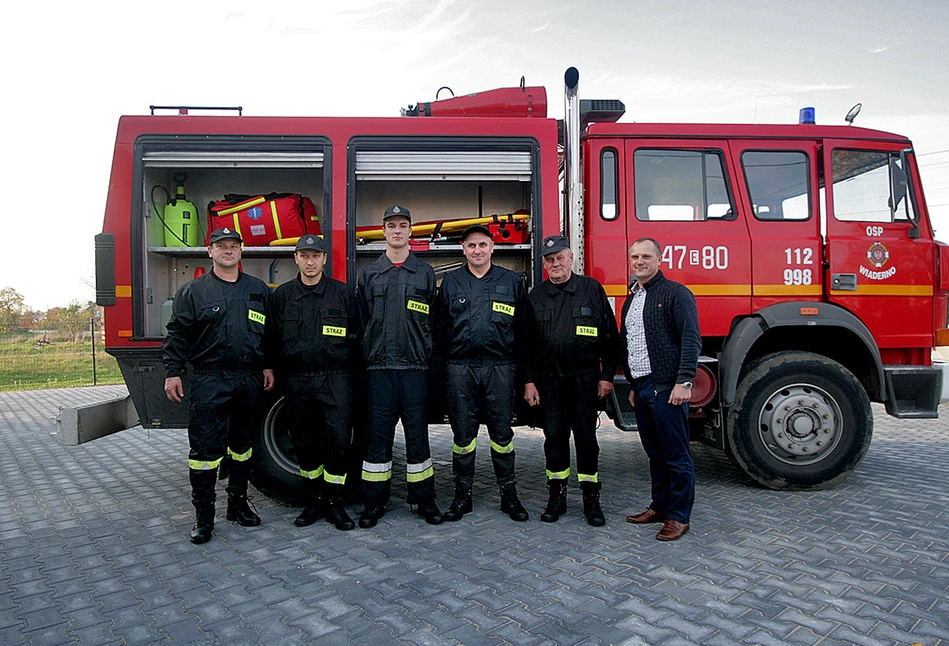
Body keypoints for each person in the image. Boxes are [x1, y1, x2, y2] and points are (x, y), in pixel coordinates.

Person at [162, 227, 275, 544]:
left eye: (233, 246)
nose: (228, 250)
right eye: (221, 246)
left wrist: (266, 365)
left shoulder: (257, 290)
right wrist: (173, 372)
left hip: (248, 378)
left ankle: (237, 505)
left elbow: (267, 334)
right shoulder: (193, 292)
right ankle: (203, 518)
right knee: (205, 452)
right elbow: (178, 335)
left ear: (242, 251)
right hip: (209, 378)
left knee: (243, 447)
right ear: (209, 251)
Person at [434, 224, 530, 522]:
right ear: (463, 249)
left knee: (502, 435)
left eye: (483, 245)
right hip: (460, 368)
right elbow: (438, 329)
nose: (477, 250)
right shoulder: (450, 283)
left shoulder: (511, 282)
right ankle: (462, 496)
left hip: (499, 369)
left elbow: (524, 333)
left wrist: (525, 377)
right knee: (463, 436)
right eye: (471, 245)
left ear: (492, 248)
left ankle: (509, 496)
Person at [355, 205, 443, 527]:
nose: (397, 231)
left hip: (415, 369)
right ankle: (373, 504)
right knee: (377, 438)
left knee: (418, 437)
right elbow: (363, 322)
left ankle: (424, 501)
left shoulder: (424, 273)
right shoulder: (369, 274)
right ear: (383, 231)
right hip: (379, 369)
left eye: (402, 225)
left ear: (410, 231)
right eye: (391, 225)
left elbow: (432, 320)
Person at [266, 234, 360, 531]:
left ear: (324, 259)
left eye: (315, 256)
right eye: (304, 255)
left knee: (337, 442)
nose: (310, 261)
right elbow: (271, 337)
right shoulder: (282, 296)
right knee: (304, 443)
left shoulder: (343, 294)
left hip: (335, 377)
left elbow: (358, 336)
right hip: (297, 379)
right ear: (295, 258)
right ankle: (314, 500)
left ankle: (334, 502)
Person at [523, 236, 618, 527]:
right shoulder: (535, 296)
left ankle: (591, 499)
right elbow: (525, 345)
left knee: (587, 441)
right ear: (544, 264)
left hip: (584, 381)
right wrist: (529, 382)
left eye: (559, 258)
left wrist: (606, 376)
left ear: (571, 258)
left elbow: (610, 337)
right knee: (554, 440)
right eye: (549, 260)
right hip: (549, 382)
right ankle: (557, 496)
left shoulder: (591, 289)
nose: (554, 264)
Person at [619, 238, 701, 541]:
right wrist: (632, 383)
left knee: (676, 453)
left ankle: (679, 516)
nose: (639, 261)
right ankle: (660, 506)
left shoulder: (676, 293)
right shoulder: (634, 296)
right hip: (642, 387)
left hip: (667, 387)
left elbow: (690, 338)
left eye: (645, 256)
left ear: (659, 258)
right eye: (634, 257)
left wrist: (684, 381)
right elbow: (632, 341)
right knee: (655, 453)